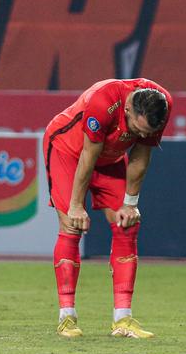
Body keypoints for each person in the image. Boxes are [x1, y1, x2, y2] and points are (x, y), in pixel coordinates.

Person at [44, 78, 172, 339]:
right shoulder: (104, 102)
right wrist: (77, 206)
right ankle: (67, 317)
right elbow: (87, 157)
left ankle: (123, 319)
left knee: (128, 224)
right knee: (71, 225)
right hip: (69, 151)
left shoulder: (161, 104)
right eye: (139, 129)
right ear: (128, 111)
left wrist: (130, 204)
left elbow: (140, 156)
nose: (144, 135)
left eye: (149, 131)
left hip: (110, 159)